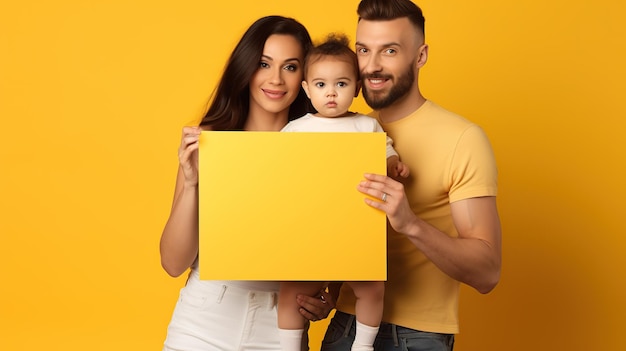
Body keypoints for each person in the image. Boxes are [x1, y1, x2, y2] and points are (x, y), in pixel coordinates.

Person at [319, 1, 503, 350]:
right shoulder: (342, 130)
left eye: (389, 50)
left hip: (415, 336)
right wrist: (323, 292)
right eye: (363, 50)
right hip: (345, 327)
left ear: (420, 56)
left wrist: (410, 224)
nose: (371, 66)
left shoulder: (462, 138)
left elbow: (487, 272)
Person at [159, 15, 335, 351]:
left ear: (306, 78)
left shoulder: (322, 148)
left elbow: (337, 243)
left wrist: (328, 294)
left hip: (282, 325)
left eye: (290, 66)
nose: (275, 79)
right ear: (245, 68)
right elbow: (173, 262)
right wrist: (192, 183)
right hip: (204, 319)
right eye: (263, 63)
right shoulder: (209, 141)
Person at [277, 34, 409, 351]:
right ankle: (289, 346)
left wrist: (394, 165)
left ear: (357, 88)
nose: (331, 93)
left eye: (341, 84)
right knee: (290, 292)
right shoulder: (297, 129)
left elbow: (386, 152)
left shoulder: (366, 127)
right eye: (321, 85)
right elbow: (274, 168)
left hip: (355, 229)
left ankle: (362, 346)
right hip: (309, 229)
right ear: (307, 89)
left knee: (372, 288)